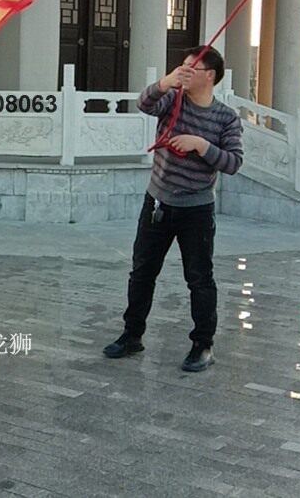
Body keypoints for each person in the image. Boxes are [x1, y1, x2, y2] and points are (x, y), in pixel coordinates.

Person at [103, 46, 243, 371]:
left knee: (199, 279)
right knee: (142, 272)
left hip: (196, 209)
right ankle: (132, 335)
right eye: (182, 67)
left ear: (210, 76)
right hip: (157, 202)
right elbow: (144, 103)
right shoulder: (172, 100)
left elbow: (234, 162)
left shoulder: (226, 118)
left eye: (192, 68)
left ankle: (203, 345)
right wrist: (166, 81)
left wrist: (201, 145)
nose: (184, 72)